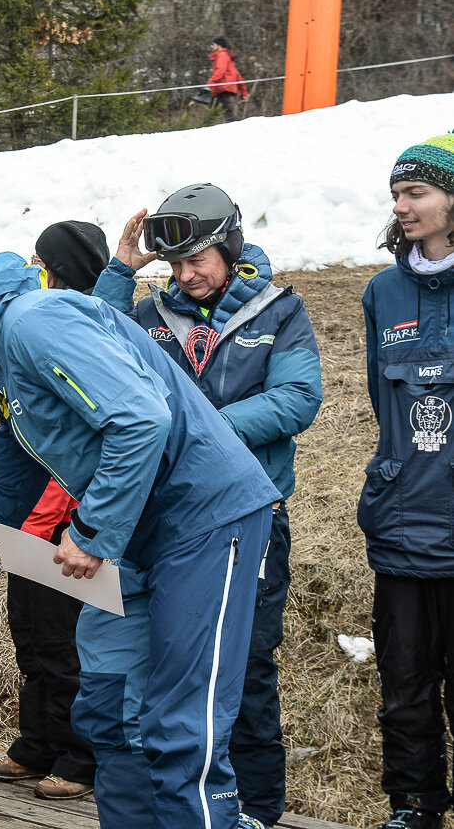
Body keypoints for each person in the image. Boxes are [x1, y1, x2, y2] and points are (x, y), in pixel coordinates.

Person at [0, 258, 280, 829]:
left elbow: (140, 419)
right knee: (110, 714)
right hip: (136, 538)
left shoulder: (35, 322)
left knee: (180, 722)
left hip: (203, 520)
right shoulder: (3, 374)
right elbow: (6, 499)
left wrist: (90, 534)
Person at [93, 183, 323, 829]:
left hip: (248, 521)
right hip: (163, 528)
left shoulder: (281, 311)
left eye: (199, 261)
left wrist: (200, 427)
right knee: (170, 673)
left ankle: (258, 808)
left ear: (231, 247)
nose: (187, 276)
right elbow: (94, 346)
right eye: (176, 265)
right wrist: (120, 272)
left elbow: (298, 399)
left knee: (244, 665)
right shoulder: (147, 315)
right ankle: (190, 805)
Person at [0, 221, 108, 801]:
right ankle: (35, 743)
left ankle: (79, 757)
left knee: (66, 647)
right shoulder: (31, 332)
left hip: (73, 522)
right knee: (30, 639)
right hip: (33, 518)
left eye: (42, 260)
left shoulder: (77, 333)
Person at [358, 133, 454, 829]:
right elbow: (381, 403)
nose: (403, 205)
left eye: (417, 192)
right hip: (401, 522)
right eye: (398, 195)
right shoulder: (382, 291)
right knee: (405, 684)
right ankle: (414, 806)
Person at [208, 36, 249, 122]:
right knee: (212, 109)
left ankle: (240, 125)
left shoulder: (222, 55)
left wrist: (209, 84)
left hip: (222, 88)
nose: (210, 46)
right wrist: (244, 91)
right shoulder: (226, 56)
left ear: (219, 45)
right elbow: (237, 75)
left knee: (228, 113)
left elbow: (220, 71)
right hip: (220, 88)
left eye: (212, 44)